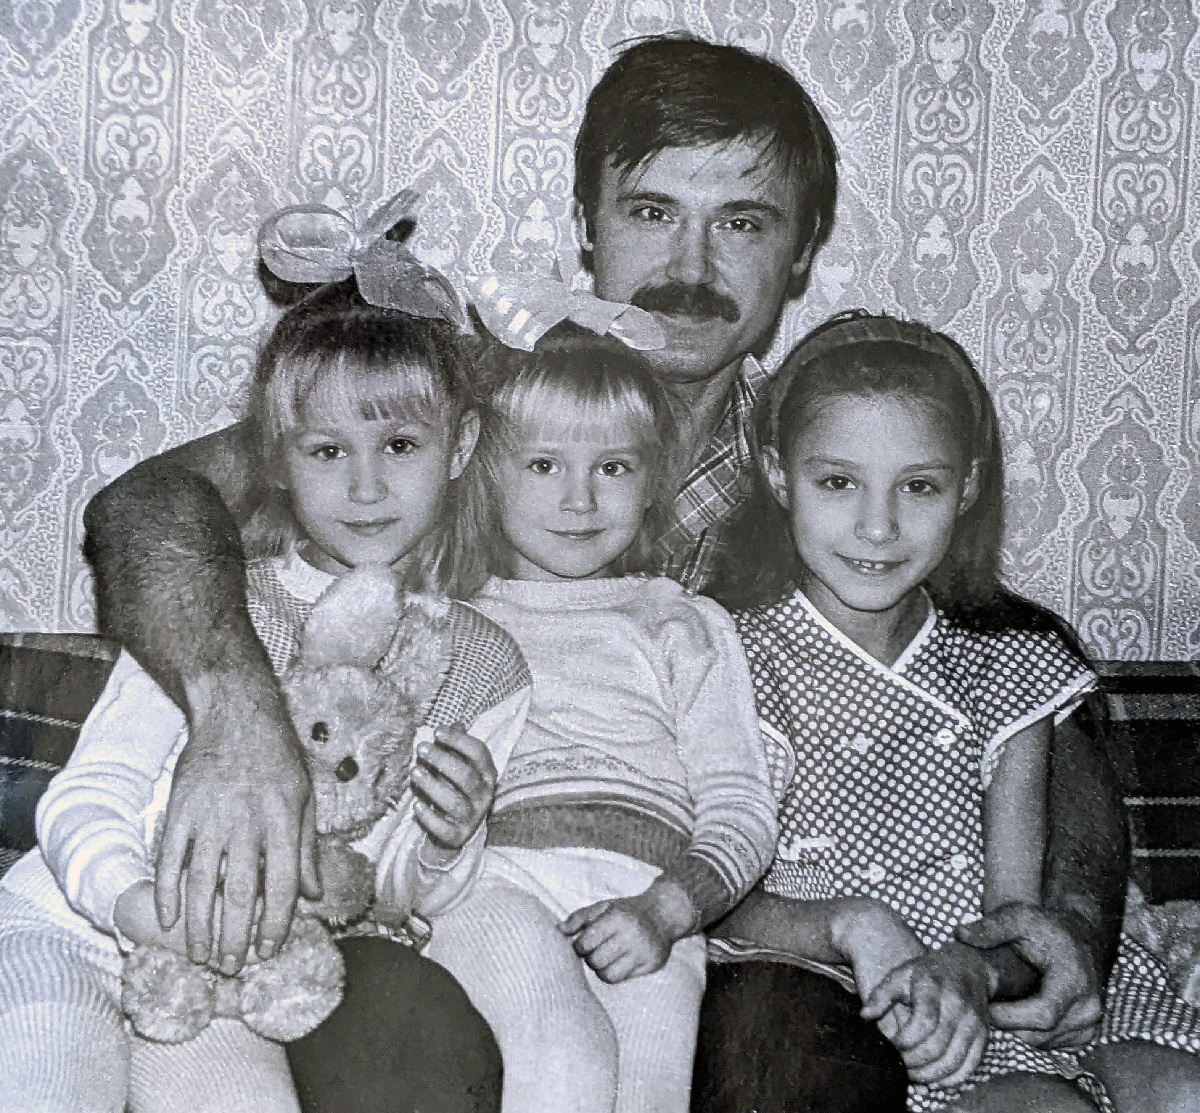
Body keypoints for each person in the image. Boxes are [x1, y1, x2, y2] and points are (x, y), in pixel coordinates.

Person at [82, 34, 1128, 1110]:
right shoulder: (463, 408)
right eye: (651, 212)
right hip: (444, 901)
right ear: (587, 225)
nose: (692, 267)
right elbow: (151, 505)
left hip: (714, 934)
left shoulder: (827, 463)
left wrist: (1077, 921)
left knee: (789, 1042)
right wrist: (233, 706)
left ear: (804, 250)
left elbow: (1014, 667)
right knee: (397, 1028)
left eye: (742, 223)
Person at [0, 275, 531, 1113]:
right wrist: (137, 908)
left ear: (460, 446)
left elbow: (384, 893)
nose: (365, 486)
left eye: (399, 445)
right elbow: (83, 799)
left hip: (223, 988)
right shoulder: (212, 607)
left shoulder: (479, 661)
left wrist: (447, 842)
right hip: (74, 929)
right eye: (325, 450)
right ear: (275, 458)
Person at [707, 311, 1200, 1113]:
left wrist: (971, 971)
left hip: (997, 993)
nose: (878, 525)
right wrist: (844, 925)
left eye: (919, 486)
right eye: (838, 482)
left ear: (966, 486)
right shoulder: (723, 657)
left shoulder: (1010, 668)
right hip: (842, 1001)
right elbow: (710, 887)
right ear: (776, 472)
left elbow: (1016, 912)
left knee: (1183, 1089)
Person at [415, 326, 777, 1113]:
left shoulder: (685, 623)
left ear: (653, 481)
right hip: (495, 881)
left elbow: (742, 806)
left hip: (650, 899)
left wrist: (669, 908)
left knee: (646, 1094)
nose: (579, 500)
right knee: (565, 1052)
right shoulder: (449, 623)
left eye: (612, 467)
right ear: (485, 472)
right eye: (543, 464)